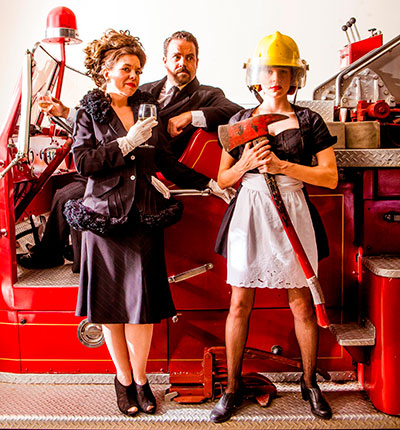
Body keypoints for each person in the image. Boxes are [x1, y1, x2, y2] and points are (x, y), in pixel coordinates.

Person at [17, 30, 241, 270]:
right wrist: (66, 113)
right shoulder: (141, 89)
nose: (182, 63)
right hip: (115, 164)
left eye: (189, 57)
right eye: (176, 56)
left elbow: (234, 111)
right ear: (164, 60)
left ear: (197, 61)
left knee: (68, 195)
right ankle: (73, 254)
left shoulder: (208, 95)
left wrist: (190, 116)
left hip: (151, 172)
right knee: (67, 189)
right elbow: (106, 122)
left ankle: (69, 258)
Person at [210, 32, 338, 423]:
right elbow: (223, 180)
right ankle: (232, 389)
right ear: (255, 76)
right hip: (250, 213)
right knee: (239, 303)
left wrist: (282, 166)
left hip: (292, 211)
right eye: (268, 70)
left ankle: (309, 382)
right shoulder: (238, 123)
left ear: (294, 76)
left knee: (301, 302)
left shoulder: (310, 121)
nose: (275, 77)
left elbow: (329, 177)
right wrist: (246, 162)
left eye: (283, 70)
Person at [70, 29, 177, 416]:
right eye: (126, 68)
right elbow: (83, 164)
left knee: (141, 308)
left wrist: (210, 183)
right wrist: (125, 143)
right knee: (113, 309)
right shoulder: (88, 112)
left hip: (143, 218)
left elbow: (164, 159)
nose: (134, 76)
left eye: (138, 69)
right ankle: (123, 380)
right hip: (104, 221)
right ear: (105, 70)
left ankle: (144, 379)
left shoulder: (149, 108)